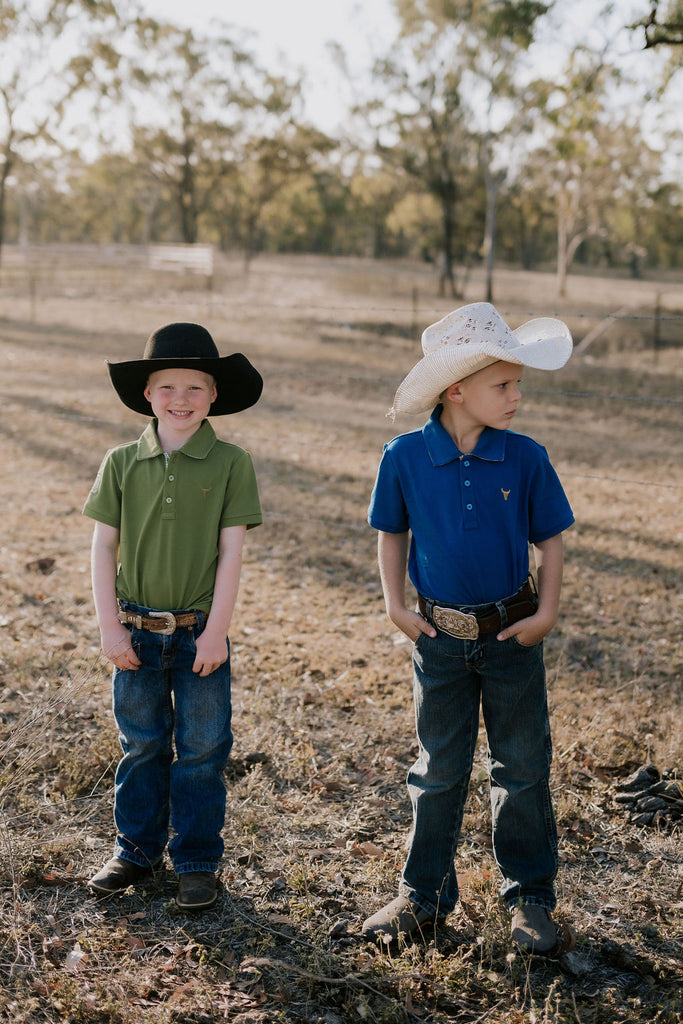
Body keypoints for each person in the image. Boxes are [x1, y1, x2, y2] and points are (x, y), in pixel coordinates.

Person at [363, 302, 576, 956]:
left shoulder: (525, 458)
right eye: (502, 386)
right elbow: (390, 534)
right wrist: (396, 605)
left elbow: (552, 541)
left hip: (512, 634)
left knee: (521, 767)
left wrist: (546, 612)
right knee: (438, 770)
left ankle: (530, 899)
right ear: (456, 390)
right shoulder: (403, 458)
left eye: (518, 385)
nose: (515, 398)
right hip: (440, 641)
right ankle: (421, 896)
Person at [83, 322, 263, 911]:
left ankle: (196, 861)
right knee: (141, 744)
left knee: (204, 749)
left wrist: (216, 632)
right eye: (167, 386)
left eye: (194, 387)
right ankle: (134, 851)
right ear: (146, 395)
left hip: (197, 635)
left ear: (214, 396)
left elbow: (233, 550)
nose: (180, 399)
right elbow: (102, 547)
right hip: (134, 630)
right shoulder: (120, 462)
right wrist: (110, 625)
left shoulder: (231, 462)